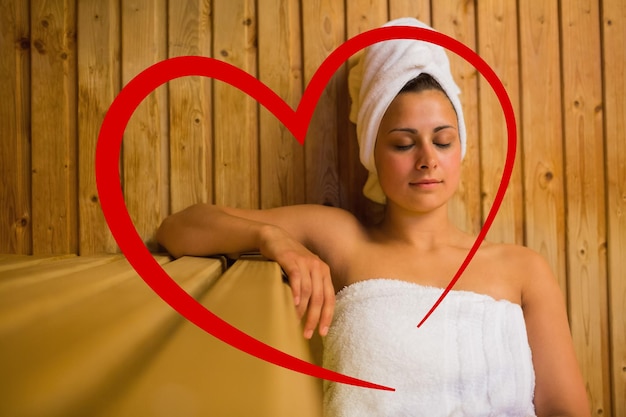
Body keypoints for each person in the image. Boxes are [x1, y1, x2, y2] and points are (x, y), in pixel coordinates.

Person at [157, 18, 589, 417]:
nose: (427, 160)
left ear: (461, 149)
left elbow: (565, 410)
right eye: (403, 144)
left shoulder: (523, 269)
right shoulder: (345, 240)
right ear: (372, 153)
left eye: (442, 141)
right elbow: (179, 229)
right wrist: (271, 238)